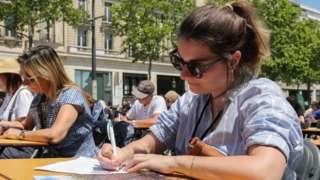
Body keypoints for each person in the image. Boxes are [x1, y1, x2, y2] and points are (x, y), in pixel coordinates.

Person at [97, 1, 303, 179]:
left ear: (233, 60)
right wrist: (122, 152)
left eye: (195, 67)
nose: (183, 75)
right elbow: (150, 142)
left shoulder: (262, 99)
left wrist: (173, 162)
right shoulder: (190, 102)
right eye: (179, 61)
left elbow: (264, 172)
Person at [0, 45, 97, 158]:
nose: (24, 83)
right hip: (50, 160)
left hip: (77, 163)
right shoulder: (40, 97)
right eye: (23, 78)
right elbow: (26, 124)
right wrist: (4, 126)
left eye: (29, 79)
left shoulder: (70, 95)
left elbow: (55, 134)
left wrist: (20, 135)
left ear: (47, 74)